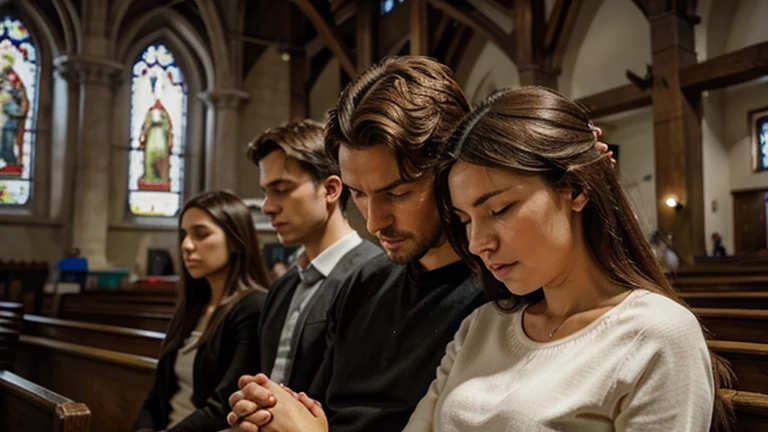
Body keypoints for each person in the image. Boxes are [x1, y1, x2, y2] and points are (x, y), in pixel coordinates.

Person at [226, 58, 613, 432]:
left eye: (397, 193)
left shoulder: (507, 288)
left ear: (451, 172)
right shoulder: (362, 283)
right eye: (359, 194)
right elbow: (319, 411)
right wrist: (272, 413)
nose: (374, 221)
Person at [402, 86, 732, 431]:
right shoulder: (483, 325)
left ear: (575, 188)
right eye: (465, 220)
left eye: (499, 209)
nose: (476, 243)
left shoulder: (655, 335)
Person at [245, 119, 382, 396]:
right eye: (266, 192)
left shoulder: (375, 276)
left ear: (331, 189)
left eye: (281, 190)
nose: (267, 207)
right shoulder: (284, 286)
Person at [133, 190, 270, 432]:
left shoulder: (253, 307)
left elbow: (224, 405)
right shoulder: (193, 307)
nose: (186, 245)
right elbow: (156, 397)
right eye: (183, 235)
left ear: (236, 240)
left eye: (201, 234)